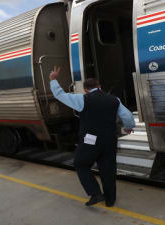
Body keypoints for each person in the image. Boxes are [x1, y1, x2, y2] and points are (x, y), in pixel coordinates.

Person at [49, 66, 135, 207]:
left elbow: (60, 95)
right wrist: (128, 127)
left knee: (81, 164)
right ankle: (110, 200)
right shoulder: (114, 99)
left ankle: (95, 193)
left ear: (85, 90)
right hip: (109, 140)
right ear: (99, 87)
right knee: (108, 169)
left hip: (90, 140)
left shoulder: (82, 99)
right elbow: (127, 115)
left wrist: (53, 80)